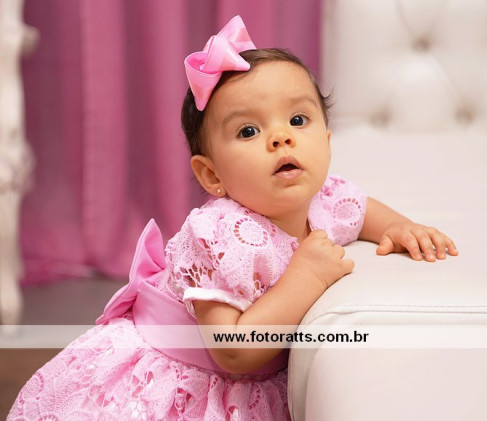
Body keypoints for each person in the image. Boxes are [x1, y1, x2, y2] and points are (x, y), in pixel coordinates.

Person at [9, 15, 457, 421]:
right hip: (179, 378)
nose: (280, 138)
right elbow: (233, 351)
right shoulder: (219, 235)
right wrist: (306, 277)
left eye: (297, 120)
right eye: (248, 130)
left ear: (326, 138)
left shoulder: (325, 200)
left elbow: (361, 210)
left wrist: (401, 227)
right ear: (212, 175)